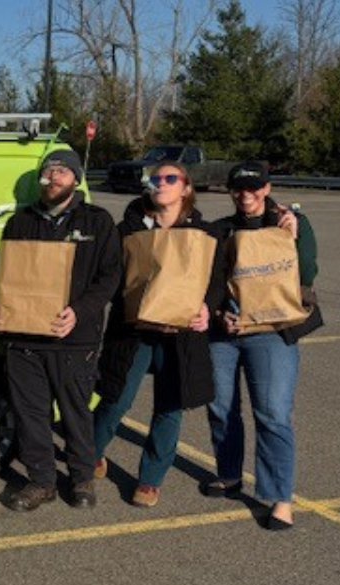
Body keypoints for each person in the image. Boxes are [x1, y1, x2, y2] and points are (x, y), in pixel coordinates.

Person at [0, 148, 121, 512]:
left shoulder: (97, 221)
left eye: (61, 171)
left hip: (75, 340)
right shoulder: (20, 222)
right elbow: (3, 275)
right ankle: (41, 481)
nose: (53, 176)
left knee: (76, 414)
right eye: (48, 170)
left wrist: (80, 311)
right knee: (31, 416)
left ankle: (81, 478)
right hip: (24, 341)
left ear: (75, 179)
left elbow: (110, 277)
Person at [91, 162, 220, 508]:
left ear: (186, 189)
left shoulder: (205, 234)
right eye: (156, 179)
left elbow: (217, 279)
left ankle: (150, 479)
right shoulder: (128, 230)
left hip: (180, 334)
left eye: (170, 178)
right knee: (116, 398)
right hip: (133, 330)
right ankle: (91, 453)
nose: (160, 183)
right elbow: (109, 275)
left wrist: (208, 307)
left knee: (169, 406)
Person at [205, 161, 316, 530]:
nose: (246, 194)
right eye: (238, 188)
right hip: (226, 332)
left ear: (267, 188)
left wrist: (296, 237)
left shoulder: (290, 224)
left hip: (271, 330)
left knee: (272, 413)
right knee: (221, 407)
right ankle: (230, 473)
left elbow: (308, 271)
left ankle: (280, 497)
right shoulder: (221, 230)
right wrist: (221, 313)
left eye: (254, 188)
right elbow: (208, 283)